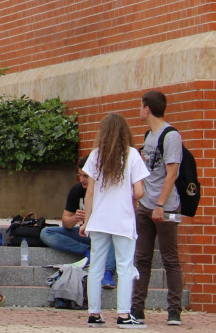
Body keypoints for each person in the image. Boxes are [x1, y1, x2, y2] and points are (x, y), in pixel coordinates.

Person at [80, 112, 150, 329]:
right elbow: (139, 192)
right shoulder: (132, 155)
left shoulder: (95, 156)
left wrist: (86, 221)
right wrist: (128, 193)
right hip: (122, 220)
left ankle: (94, 314)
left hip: (99, 220)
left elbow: (89, 192)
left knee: (96, 268)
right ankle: (123, 315)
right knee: (125, 267)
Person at [131, 90, 185, 326]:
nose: (139, 110)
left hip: (166, 206)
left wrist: (160, 205)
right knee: (141, 257)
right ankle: (137, 307)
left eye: (141, 106)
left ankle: (174, 310)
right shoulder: (148, 135)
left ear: (147, 109)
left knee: (170, 258)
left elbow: (172, 174)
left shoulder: (171, 135)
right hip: (145, 205)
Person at [39, 157, 118, 288]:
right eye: (80, 175)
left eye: (85, 176)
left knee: (114, 237)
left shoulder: (105, 191)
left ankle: (107, 272)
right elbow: (66, 223)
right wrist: (75, 218)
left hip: (104, 234)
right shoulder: (76, 190)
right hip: (84, 234)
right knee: (46, 232)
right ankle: (87, 251)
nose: (82, 180)